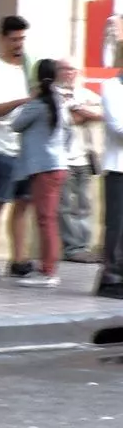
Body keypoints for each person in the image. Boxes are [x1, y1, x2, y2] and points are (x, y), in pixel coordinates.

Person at [0, 16, 35, 280]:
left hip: (27, 149)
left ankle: (19, 258)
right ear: (2, 39)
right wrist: (23, 101)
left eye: (22, 39)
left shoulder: (29, 67)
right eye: (14, 39)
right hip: (2, 147)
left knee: (23, 204)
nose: (18, 44)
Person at [9, 59, 72, 288]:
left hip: (43, 168)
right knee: (48, 218)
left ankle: (49, 271)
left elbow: (16, 124)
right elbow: (69, 132)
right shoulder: (59, 101)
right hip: (58, 165)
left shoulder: (38, 103)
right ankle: (48, 266)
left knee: (45, 220)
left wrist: (29, 99)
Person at [56, 59, 103, 263]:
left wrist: (82, 111)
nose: (69, 73)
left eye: (73, 69)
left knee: (84, 205)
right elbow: (66, 119)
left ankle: (84, 246)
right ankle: (72, 248)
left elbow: (103, 112)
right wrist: (81, 113)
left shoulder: (85, 94)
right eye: (65, 69)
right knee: (66, 206)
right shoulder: (54, 94)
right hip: (63, 158)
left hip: (84, 158)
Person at [99, 70, 123, 298]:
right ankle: (111, 278)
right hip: (118, 167)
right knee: (117, 225)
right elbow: (118, 127)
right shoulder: (112, 87)